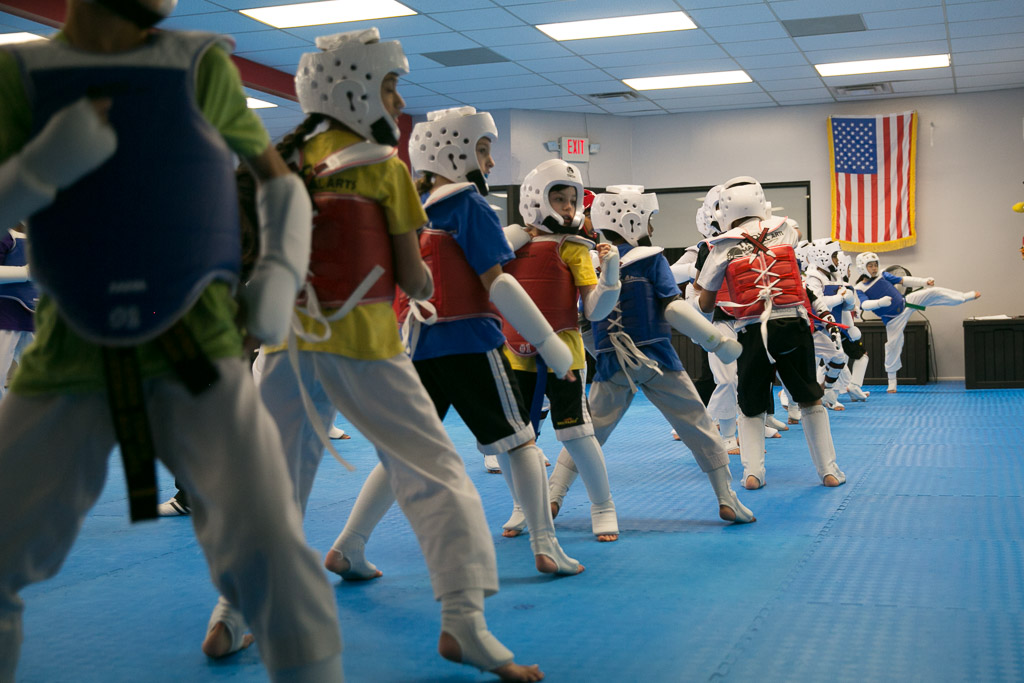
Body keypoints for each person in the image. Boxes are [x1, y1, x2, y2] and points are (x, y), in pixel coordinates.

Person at [0, 1, 345, 681]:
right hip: (68, 354)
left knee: (274, 555)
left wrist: (277, 273)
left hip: (197, 350)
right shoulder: (20, 75)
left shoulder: (196, 65)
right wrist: (39, 170)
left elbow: (279, 184)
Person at [250, 32, 542, 682]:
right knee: (436, 473)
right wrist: (428, 281)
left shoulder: (280, 158)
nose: (398, 98)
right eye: (389, 86)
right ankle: (464, 622)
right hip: (364, 346)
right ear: (354, 89)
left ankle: (233, 613)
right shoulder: (385, 168)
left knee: (273, 490)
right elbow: (413, 280)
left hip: (285, 346)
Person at [331, 105, 583, 581]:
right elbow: (500, 285)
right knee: (522, 442)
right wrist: (552, 345)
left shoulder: (407, 215)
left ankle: (349, 544)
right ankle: (545, 545)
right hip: (469, 343)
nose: (489, 163)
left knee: (403, 452)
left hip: (415, 348)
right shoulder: (468, 206)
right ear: (454, 152)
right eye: (483, 150)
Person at [548, 185, 754, 524]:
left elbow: (584, 323)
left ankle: (554, 494)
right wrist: (715, 341)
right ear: (633, 220)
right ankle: (725, 497)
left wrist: (602, 355)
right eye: (650, 220)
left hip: (612, 364)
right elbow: (673, 309)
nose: (652, 227)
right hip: (659, 359)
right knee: (698, 425)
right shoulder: (650, 260)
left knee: (587, 435)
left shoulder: (589, 264)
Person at [695, 177, 845, 491]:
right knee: (810, 399)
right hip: (793, 325)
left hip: (751, 331)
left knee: (750, 404)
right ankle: (829, 471)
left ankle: (752, 474)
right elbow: (795, 239)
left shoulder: (719, 247)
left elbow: (706, 302)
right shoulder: (786, 227)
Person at [499, 159, 622, 542]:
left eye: (572, 200)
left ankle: (603, 505)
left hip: (565, 353)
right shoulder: (510, 246)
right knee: (511, 438)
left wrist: (611, 274)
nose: (568, 208)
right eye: (559, 198)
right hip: (513, 353)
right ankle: (523, 505)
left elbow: (595, 308)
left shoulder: (572, 249)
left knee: (577, 434)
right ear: (537, 199)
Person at [854, 252, 979, 393]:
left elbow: (903, 280)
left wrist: (923, 282)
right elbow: (864, 305)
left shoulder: (883, 274)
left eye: (875, 264)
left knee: (933, 292)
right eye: (870, 266)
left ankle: (963, 297)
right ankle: (892, 382)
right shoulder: (860, 288)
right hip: (892, 320)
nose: (874, 268)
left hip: (906, 303)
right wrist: (879, 303)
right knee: (893, 346)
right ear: (862, 268)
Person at [802, 238, 857, 410]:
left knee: (837, 360)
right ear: (822, 256)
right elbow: (816, 302)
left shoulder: (834, 276)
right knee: (812, 367)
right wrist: (840, 297)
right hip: (816, 328)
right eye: (834, 256)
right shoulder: (813, 278)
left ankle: (828, 395)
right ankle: (793, 402)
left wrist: (848, 299)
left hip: (832, 325)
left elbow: (846, 305)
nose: (837, 261)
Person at [0, 225, 36, 401]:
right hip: (4, 317)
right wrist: (26, 272)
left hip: (31, 318)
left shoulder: (37, 239)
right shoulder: (5, 236)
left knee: (43, 375)